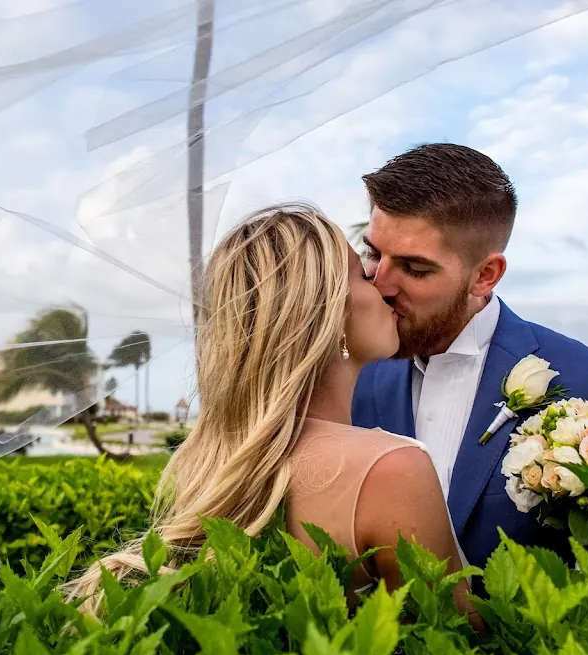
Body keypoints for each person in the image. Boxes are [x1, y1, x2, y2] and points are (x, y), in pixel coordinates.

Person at [63, 203, 480, 629]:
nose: (383, 286)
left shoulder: (216, 460)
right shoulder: (389, 469)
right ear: (329, 313)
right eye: (362, 273)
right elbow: (460, 652)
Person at [351, 143, 588, 595]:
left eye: (414, 269)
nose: (380, 285)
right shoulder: (355, 377)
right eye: (374, 255)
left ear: (485, 275)